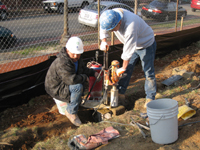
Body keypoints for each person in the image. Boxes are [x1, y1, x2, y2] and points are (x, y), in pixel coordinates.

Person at [99, 8, 157, 108]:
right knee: (127, 70)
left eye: (113, 29)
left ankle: (150, 97)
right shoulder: (110, 16)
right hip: (132, 44)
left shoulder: (131, 25)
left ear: (119, 22)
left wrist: (123, 68)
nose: (112, 32)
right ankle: (120, 93)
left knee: (148, 72)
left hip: (146, 44)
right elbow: (103, 27)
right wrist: (103, 41)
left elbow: (128, 49)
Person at [45, 36, 98, 126]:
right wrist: (85, 77)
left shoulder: (76, 58)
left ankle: (75, 103)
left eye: (78, 54)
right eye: (73, 53)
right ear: (67, 50)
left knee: (80, 81)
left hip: (64, 83)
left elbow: (83, 69)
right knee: (78, 86)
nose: (76, 56)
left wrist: (93, 73)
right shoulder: (63, 62)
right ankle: (70, 111)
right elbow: (70, 80)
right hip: (56, 87)